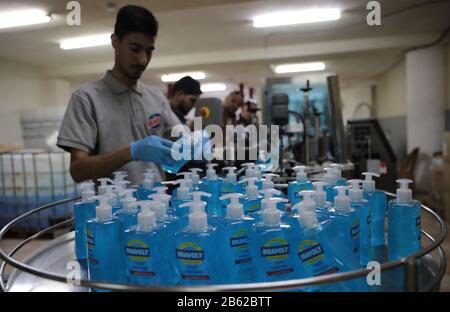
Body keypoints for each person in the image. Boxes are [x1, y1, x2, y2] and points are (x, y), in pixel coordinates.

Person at [57, 5, 181, 185]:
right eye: (135, 48)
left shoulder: (156, 97)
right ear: (115, 42)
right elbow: (78, 170)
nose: (143, 60)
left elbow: (179, 137)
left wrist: (194, 142)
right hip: (114, 211)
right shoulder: (86, 98)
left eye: (149, 51)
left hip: (158, 207)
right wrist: (130, 152)